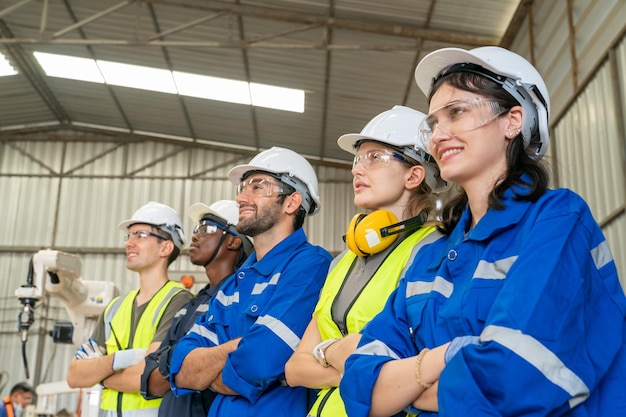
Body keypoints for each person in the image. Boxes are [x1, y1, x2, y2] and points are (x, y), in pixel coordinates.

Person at [341, 46, 626, 417]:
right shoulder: (430, 258)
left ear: (513, 121)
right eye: (433, 124)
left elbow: (512, 377)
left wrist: (406, 385)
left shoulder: (557, 219)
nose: (438, 135)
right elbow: (360, 386)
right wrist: (449, 354)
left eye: (457, 112)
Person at [284, 105, 447, 417]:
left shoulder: (434, 251)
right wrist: (366, 372)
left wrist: (323, 352)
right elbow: (295, 368)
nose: (356, 170)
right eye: (358, 159)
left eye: (375, 158)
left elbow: (423, 365)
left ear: (413, 175)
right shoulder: (343, 261)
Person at [169, 146, 332, 416]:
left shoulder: (310, 266)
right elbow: (181, 369)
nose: (242, 198)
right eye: (242, 188)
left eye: (258, 186)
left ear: (291, 202)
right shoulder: (235, 282)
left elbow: (259, 361)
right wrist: (236, 347)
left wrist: (211, 370)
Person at [67, 201, 193, 417]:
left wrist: (101, 375)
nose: (129, 243)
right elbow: (75, 376)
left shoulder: (179, 301)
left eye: (140, 235)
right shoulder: (115, 307)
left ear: (166, 247)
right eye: (129, 236)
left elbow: (148, 374)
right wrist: (119, 360)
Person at [140, 200, 254, 417]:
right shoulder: (189, 306)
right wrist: (190, 364)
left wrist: (171, 360)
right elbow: (151, 382)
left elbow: (239, 372)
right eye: (196, 229)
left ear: (233, 242)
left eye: (207, 228)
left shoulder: (242, 304)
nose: (195, 236)